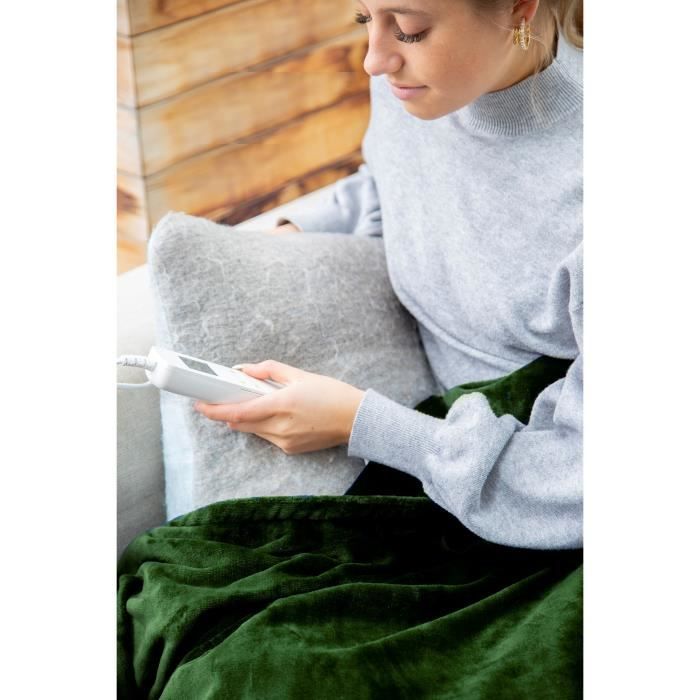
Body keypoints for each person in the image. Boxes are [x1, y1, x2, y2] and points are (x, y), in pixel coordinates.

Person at [194, 0, 583, 550]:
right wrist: (297, 234)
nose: (373, 61)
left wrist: (360, 424)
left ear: (520, 9)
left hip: (533, 505)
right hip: (435, 447)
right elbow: (398, 179)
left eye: (409, 30)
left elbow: (582, 481)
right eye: (363, 19)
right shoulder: (415, 90)